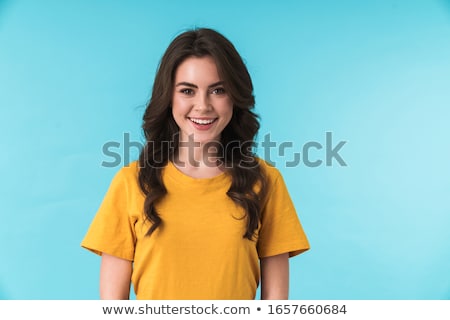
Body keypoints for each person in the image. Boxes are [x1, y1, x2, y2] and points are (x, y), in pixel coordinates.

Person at [81, 27, 310, 300]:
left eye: (218, 90)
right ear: (169, 97)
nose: (202, 105)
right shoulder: (131, 182)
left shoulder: (265, 181)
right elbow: (112, 308)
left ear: (234, 97)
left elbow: (276, 307)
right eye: (187, 91)